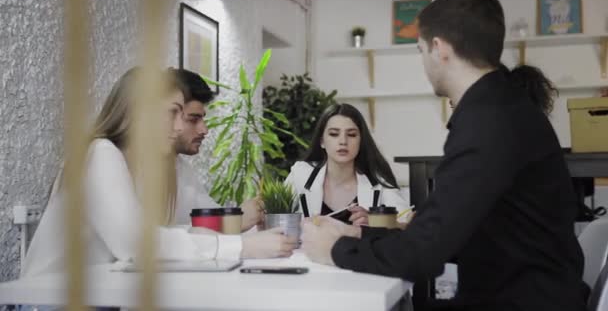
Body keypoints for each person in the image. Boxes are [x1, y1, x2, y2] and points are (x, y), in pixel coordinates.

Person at [301, 0, 586, 311]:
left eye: (421, 50)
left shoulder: (488, 123)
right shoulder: (502, 109)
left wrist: (335, 248)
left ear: (439, 49)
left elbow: (422, 256)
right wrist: (358, 235)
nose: (423, 62)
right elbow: (444, 233)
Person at [22, 67, 296, 278]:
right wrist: (241, 246)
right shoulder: (101, 154)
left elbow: (184, 229)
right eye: (175, 114)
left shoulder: (164, 167)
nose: (180, 128)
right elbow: (135, 244)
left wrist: (246, 233)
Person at [169, 68, 263, 230]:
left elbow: (212, 215)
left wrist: (247, 213)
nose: (204, 129)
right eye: (193, 120)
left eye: (202, 119)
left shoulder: (182, 168)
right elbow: (154, 240)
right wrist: (234, 221)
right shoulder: (123, 162)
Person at [285, 103, 409, 225]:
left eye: (351, 135)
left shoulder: (378, 181)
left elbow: (407, 222)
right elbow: (274, 217)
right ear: (322, 141)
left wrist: (375, 222)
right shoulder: (300, 174)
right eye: (334, 134)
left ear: (361, 141)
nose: (343, 141)